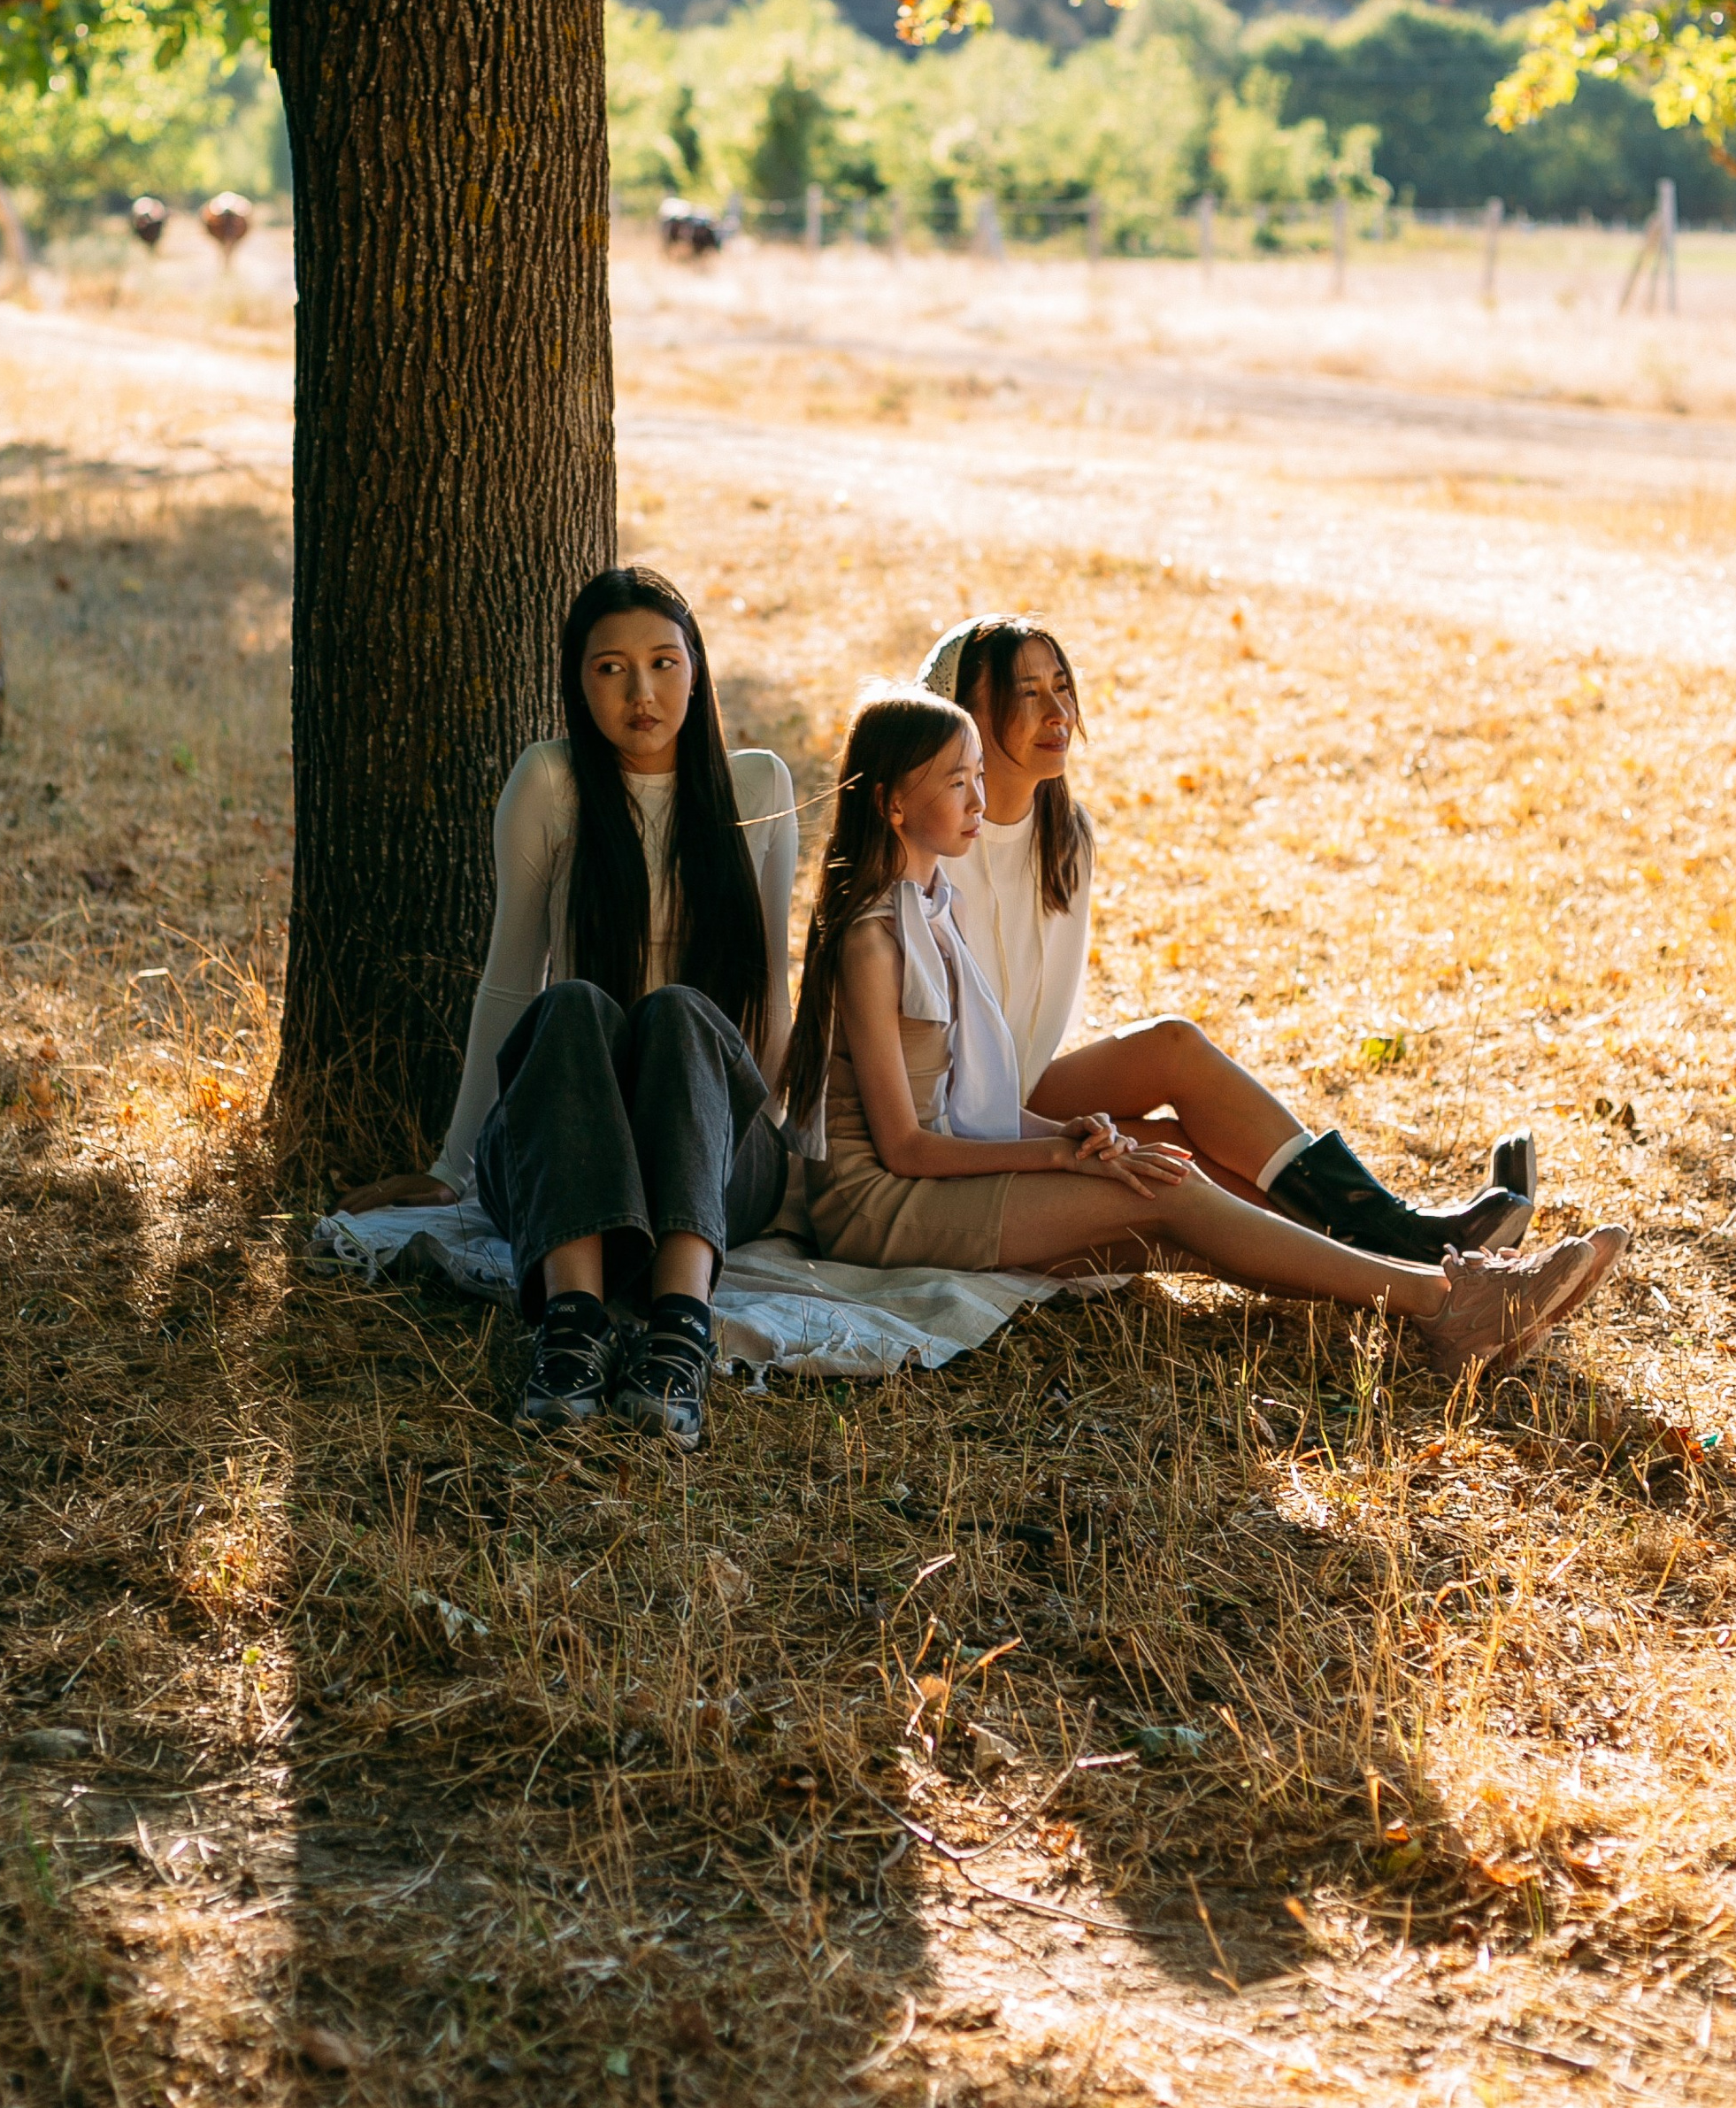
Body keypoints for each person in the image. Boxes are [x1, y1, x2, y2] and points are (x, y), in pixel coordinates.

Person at [783, 686, 1624, 1374]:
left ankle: (1439, 1291)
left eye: (977, 775)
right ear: (893, 803)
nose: (978, 799)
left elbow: (966, 1100)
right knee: (1169, 1191)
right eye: (955, 783)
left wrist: (1071, 1133)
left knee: (1166, 1200)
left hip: (930, 1178)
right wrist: (1057, 1155)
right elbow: (906, 1147)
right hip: (877, 1206)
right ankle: (1448, 1302)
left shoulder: (934, 906)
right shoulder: (872, 939)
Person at [338, 567, 795, 1449]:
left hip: (706, 1152)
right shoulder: (551, 782)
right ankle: (571, 1333)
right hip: (574, 1143)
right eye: (610, 669)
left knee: (680, 1013)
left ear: (697, 669)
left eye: (663, 663)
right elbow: (511, 983)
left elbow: (772, 986)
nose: (641, 693)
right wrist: (453, 1164)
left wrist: (768, 1136)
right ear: (576, 683)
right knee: (572, 1004)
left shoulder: (757, 788)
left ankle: (678, 1335)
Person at [918, 614, 1534, 1260]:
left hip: (1016, 1090)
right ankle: (1403, 1257)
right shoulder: (929, 850)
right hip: (953, 1129)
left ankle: (1400, 1236)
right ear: (962, 716)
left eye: (1062, 686)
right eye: (1027, 693)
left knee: (1173, 1049)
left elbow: (1028, 1027)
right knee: (1167, 1153)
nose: (1058, 713)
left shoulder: (1065, 836)